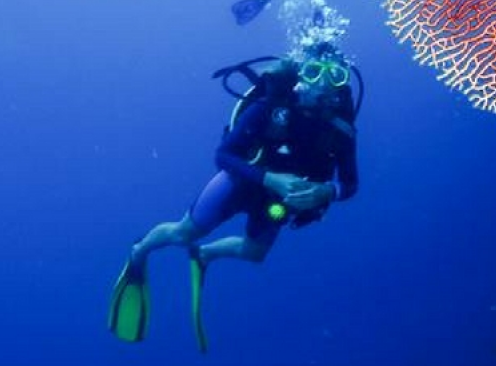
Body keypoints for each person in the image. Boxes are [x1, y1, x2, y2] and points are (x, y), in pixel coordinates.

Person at [108, 43, 362, 350]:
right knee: (185, 231)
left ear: (342, 83)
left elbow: (350, 184)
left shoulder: (341, 130)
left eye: (334, 75)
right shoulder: (270, 105)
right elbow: (224, 155)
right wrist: (271, 179)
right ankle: (139, 251)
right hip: (238, 182)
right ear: (300, 74)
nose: (321, 84)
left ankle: (204, 256)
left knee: (254, 253)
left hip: (277, 203)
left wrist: (325, 191)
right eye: (312, 71)